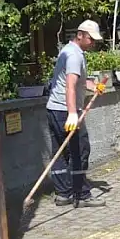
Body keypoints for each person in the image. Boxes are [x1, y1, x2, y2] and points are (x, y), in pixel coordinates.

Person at [46, 20, 104, 207]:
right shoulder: (74, 56)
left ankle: (63, 194)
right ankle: (81, 194)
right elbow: (70, 86)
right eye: (90, 39)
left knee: (60, 151)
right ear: (80, 35)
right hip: (65, 110)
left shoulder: (68, 51)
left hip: (54, 108)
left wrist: (94, 86)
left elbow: (76, 81)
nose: (93, 43)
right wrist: (72, 113)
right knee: (80, 150)